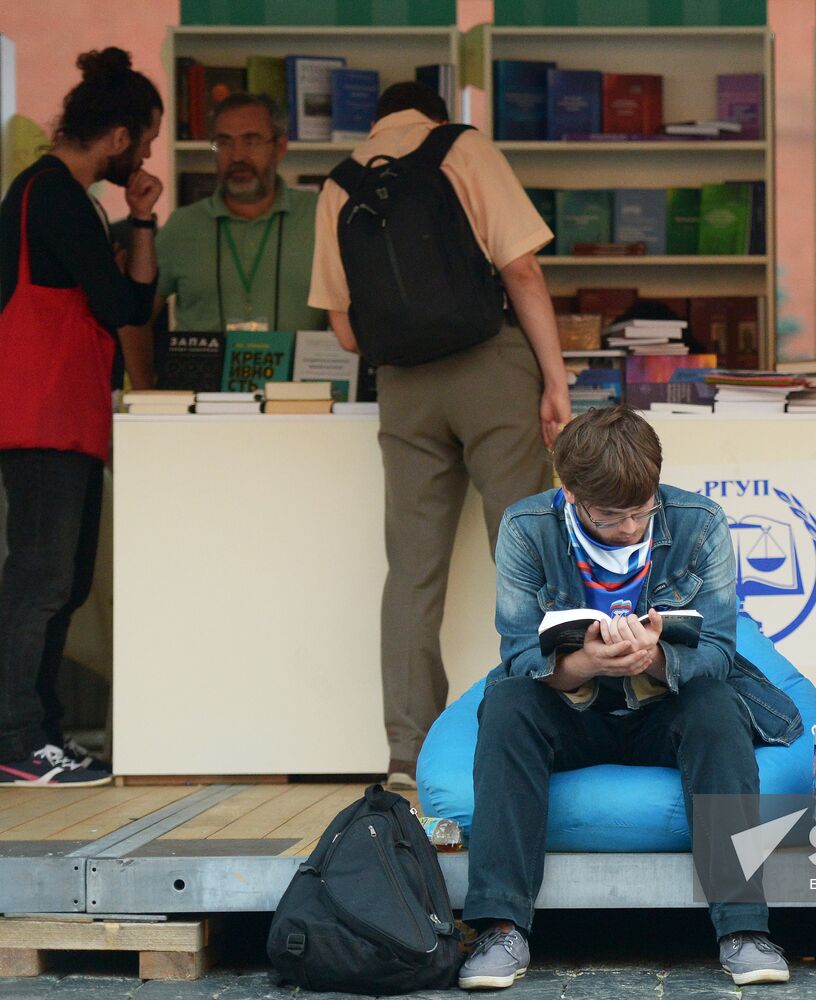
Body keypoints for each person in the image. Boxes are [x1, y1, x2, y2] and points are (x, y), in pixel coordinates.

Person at [458, 406, 798, 990]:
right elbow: (517, 653)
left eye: (642, 512)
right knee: (509, 704)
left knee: (716, 705)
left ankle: (744, 928)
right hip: (571, 707)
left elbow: (717, 646)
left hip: (665, 703)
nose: (631, 528)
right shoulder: (525, 527)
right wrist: (587, 661)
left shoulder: (699, 520)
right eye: (612, 516)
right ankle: (500, 928)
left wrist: (657, 659)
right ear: (570, 494)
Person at [308, 81, 570, 789]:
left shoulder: (338, 185)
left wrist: (407, 350)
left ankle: (406, 751)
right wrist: (554, 380)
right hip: (490, 370)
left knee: (412, 574)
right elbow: (521, 269)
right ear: (433, 110)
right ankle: (544, 724)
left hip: (404, 390)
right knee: (525, 553)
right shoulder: (463, 148)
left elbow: (340, 324)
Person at [0, 47, 162, 785]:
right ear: (121, 137)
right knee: (40, 579)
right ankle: (19, 739)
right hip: (46, 418)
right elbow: (124, 306)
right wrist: (144, 224)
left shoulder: (45, 193)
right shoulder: (59, 196)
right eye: (149, 139)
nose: (148, 154)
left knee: (54, 580)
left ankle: (39, 733)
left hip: (51, 414)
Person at [126, 91, 323, 382]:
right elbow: (134, 318)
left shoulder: (320, 218)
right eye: (224, 143)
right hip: (203, 409)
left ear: (279, 147)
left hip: (302, 407)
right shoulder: (183, 226)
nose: (238, 156)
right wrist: (145, 391)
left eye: (252, 140)